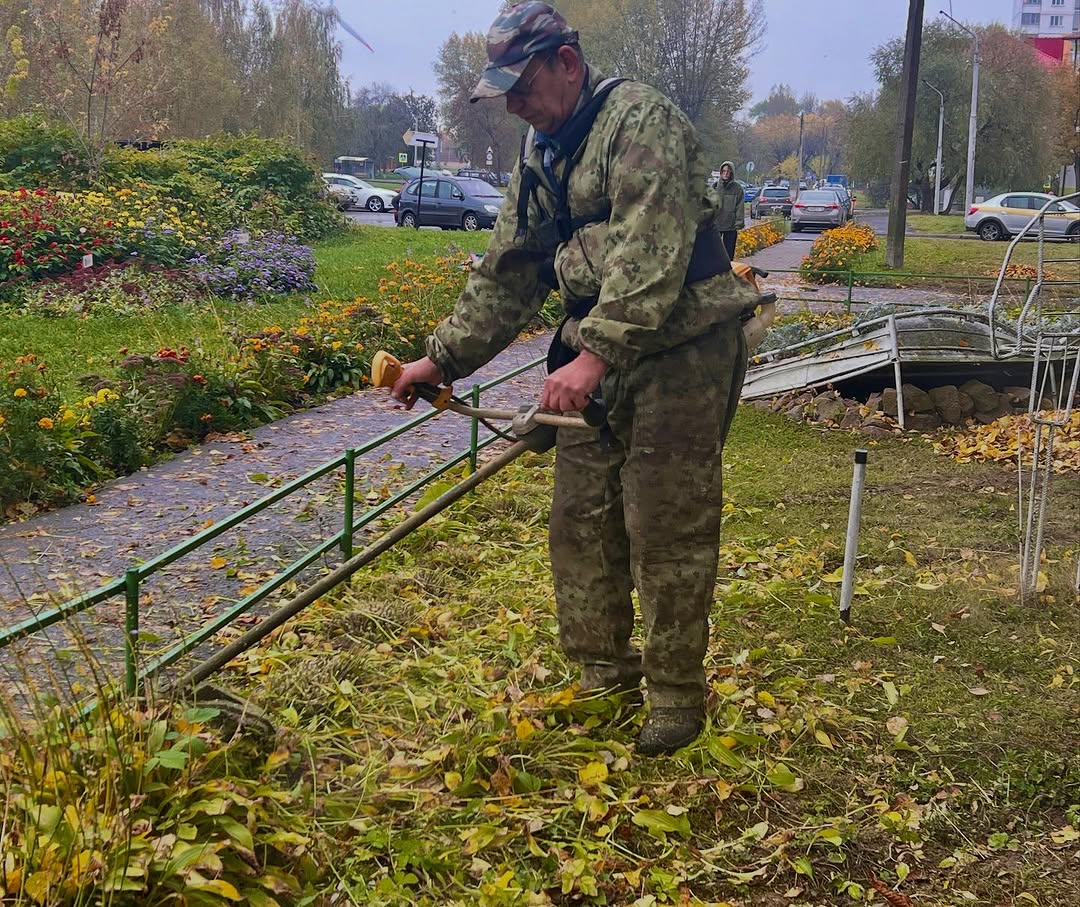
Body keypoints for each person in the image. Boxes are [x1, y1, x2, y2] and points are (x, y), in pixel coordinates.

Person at [390, 1, 757, 755]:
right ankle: (603, 673)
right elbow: (510, 268)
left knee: (666, 526)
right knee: (580, 522)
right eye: (505, 94)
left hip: (681, 347)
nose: (516, 105)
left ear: (566, 61)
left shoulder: (638, 122)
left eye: (522, 86)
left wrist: (594, 355)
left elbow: (648, 255)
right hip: (600, 348)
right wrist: (442, 357)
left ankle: (675, 695)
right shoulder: (542, 153)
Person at [715, 161, 744, 261]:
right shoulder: (715, 187)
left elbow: (740, 207)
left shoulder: (737, 189)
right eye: (723, 171)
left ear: (732, 173)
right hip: (716, 225)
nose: (725, 173)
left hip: (731, 227)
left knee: (728, 255)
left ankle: (728, 274)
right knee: (714, 253)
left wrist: (739, 222)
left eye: (728, 171)